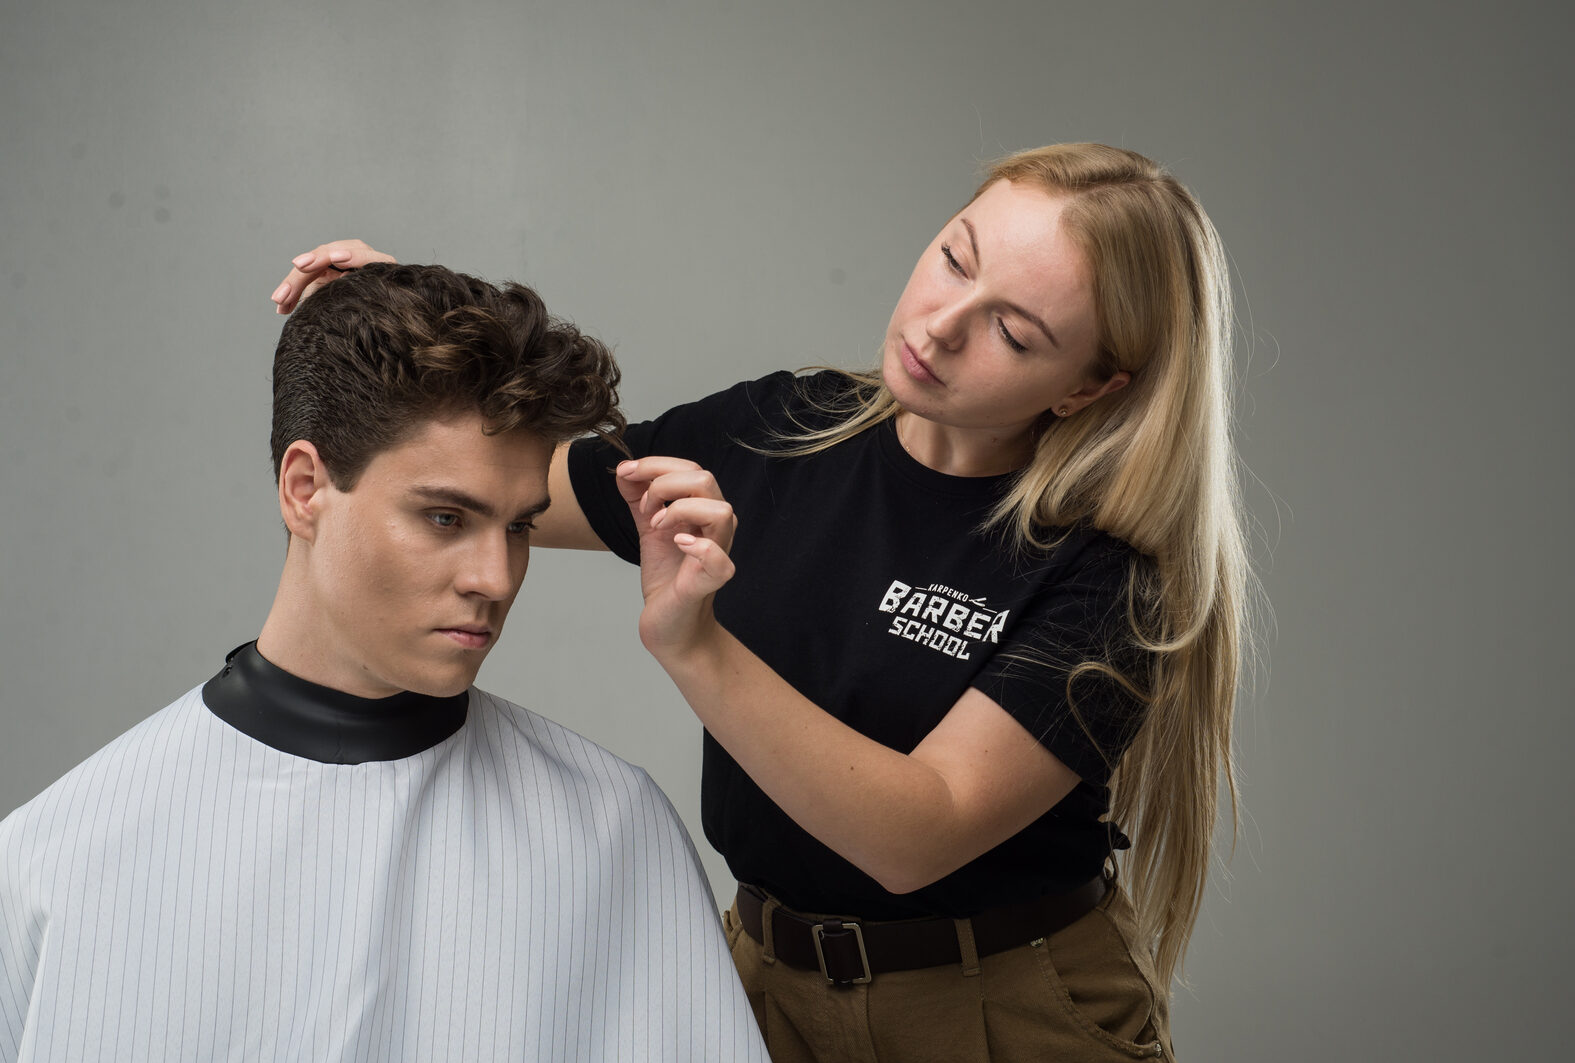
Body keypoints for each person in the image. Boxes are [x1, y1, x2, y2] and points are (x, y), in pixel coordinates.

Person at [274, 143, 1250, 1062]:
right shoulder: (787, 427)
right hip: (763, 988)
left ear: (1087, 388)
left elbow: (918, 833)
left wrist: (696, 645)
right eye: (957, 258)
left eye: (1011, 329)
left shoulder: (1111, 579)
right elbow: (522, 482)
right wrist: (406, 339)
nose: (940, 324)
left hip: (998, 1011)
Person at [0, 264, 769, 1063]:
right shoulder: (58, 854)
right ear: (304, 489)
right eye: (444, 516)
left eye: (517, 528)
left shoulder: (613, 828)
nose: (495, 578)